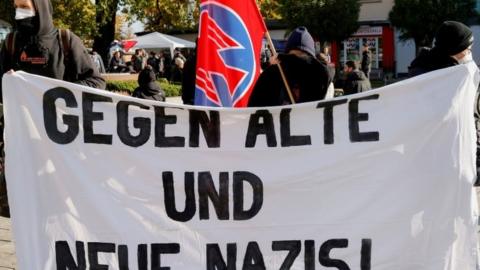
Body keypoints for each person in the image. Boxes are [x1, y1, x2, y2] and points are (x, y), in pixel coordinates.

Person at [0, 0, 106, 217]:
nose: (20, 12)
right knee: (26, 216)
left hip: (61, 149)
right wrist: (6, 82)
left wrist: (56, 94)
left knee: (59, 214)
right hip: (22, 145)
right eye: (17, 6)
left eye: (25, 6)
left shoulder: (66, 41)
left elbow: (96, 82)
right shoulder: (10, 43)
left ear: (40, 7)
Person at [408, 21, 479, 185]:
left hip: (458, 161)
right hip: (433, 167)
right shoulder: (425, 79)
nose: (470, 53)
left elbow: (470, 119)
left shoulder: (460, 75)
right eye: (466, 49)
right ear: (453, 49)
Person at [248, 26, 332, 106]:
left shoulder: (320, 81)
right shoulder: (272, 78)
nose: (297, 63)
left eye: (302, 58)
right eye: (292, 57)